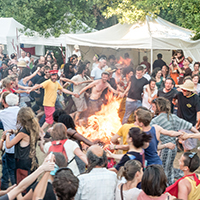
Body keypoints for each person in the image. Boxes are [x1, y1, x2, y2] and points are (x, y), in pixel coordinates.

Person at [150, 97, 199, 185]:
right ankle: (171, 183)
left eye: (153, 106)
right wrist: (197, 133)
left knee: (164, 169)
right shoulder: (173, 117)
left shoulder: (155, 121)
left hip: (164, 149)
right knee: (169, 168)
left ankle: (167, 186)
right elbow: (188, 125)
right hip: (173, 149)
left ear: (159, 107)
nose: (152, 108)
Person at [5, 107, 40, 187]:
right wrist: (14, 131)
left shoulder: (22, 133)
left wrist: (7, 135)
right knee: (31, 184)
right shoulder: (34, 128)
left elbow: (8, 145)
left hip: (22, 162)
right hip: (32, 159)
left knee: (22, 185)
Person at [0, 93, 20, 190]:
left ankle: (13, 189)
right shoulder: (22, 111)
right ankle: (7, 185)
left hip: (9, 146)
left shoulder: (2, 113)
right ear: (17, 102)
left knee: (12, 170)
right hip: (22, 145)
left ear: (6, 102)